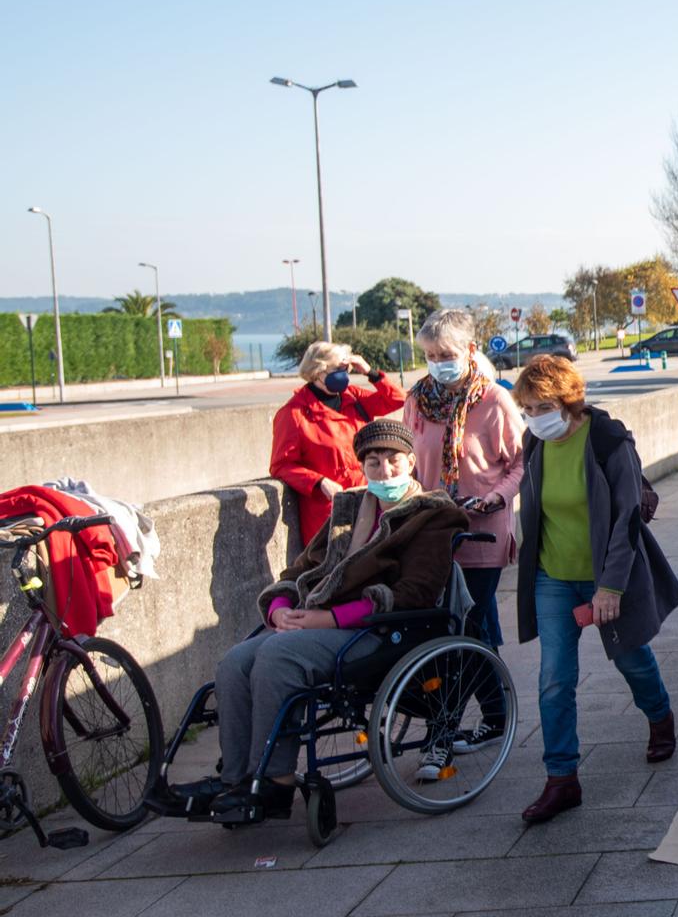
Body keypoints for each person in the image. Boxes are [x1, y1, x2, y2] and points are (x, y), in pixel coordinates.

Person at [154, 419, 468, 823]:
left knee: (279, 658)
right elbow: (300, 569)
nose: (384, 471)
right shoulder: (349, 509)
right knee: (234, 663)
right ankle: (234, 778)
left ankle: (275, 781)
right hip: (318, 619)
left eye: (393, 461)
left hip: (380, 630)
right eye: (373, 462)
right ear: (363, 468)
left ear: (411, 462)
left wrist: (330, 618)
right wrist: (279, 607)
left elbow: (416, 592)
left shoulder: (432, 515)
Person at [510, 355, 678, 822]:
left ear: (569, 399)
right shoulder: (534, 441)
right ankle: (562, 779)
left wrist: (610, 587)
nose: (534, 417)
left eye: (543, 405)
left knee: (631, 658)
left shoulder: (608, 440)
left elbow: (628, 517)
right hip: (552, 576)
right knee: (554, 679)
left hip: (606, 575)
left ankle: (660, 716)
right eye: (527, 408)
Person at [403, 308, 523, 776]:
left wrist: (496, 497)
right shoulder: (417, 402)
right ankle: (496, 715)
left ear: (470, 351)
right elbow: (412, 463)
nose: (438, 363)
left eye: (447, 354)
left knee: (464, 627)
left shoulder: (494, 401)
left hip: (482, 532)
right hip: (435, 531)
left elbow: (520, 462)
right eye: (430, 355)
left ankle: (444, 730)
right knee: (469, 631)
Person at [268, 341, 406, 545]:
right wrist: (317, 482)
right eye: (337, 369)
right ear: (317, 372)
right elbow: (281, 465)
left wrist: (371, 373)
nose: (344, 374)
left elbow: (398, 399)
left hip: (367, 502)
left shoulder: (353, 396)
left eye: (346, 369)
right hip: (327, 511)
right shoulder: (294, 414)